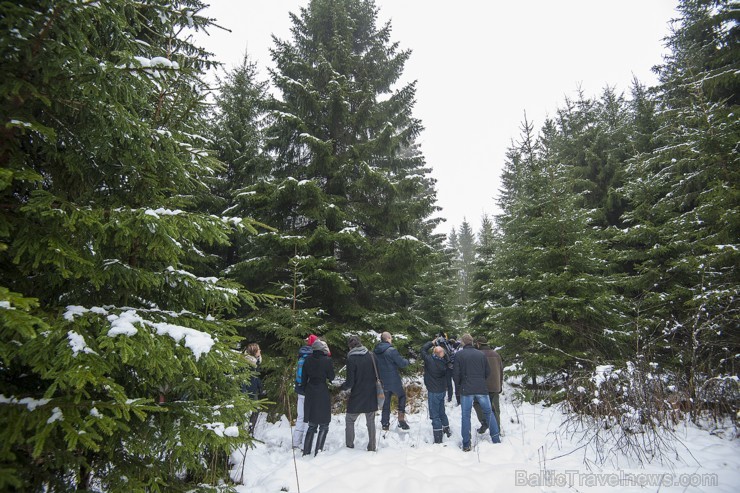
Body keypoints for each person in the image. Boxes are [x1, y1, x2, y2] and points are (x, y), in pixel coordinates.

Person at [453, 333, 500, 451]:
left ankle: (466, 444)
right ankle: (496, 439)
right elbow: (487, 372)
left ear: (463, 343)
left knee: (465, 416)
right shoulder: (480, 354)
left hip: (466, 389)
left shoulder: (459, 355)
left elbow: (456, 374)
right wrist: (480, 380)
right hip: (481, 388)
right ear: (472, 342)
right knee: (489, 412)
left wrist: (458, 389)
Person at [340, 335, 378, 451]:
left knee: (350, 419)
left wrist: (342, 387)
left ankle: (349, 445)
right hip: (371, 392)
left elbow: (350, 382)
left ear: (350, 346)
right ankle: (372, 446)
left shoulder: (351, 359)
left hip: (357, 393)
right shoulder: (371, 355)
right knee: (370, 420)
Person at [301, 338, 335, 456]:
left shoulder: (307, 360)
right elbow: (332, 376)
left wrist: (306, 389)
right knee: (324, 424)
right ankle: (318, 451)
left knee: (312, 424)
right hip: (322, 390)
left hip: (310, 390)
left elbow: (303, 378)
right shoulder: (327, 360)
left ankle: (306, 452)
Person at [373, 331, 410, 431]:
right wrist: (408, 361)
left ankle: (385, 424)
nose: (391, 339)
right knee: (401, 396)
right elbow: (401, 363)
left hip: (382, 381)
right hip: (394, 380)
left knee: (386, 402)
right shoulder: (391, 350)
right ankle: (401, 419)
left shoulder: (375, 351)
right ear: (388, 338)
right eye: (391, 338)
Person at [421, 338, 452, 443]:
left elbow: (423, 350)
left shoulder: (430, 360)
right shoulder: (445, 362)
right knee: (441, 411)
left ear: (435, 352)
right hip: (442, 390)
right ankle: (447, 429)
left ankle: (438, 437)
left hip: (433, 391)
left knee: (435, 414)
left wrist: (432, 342)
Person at [474, 335, 504, 435]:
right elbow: (501, 371)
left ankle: (485, 422)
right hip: (495, 386)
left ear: (478, 344)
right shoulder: (496, 354)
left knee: (477, 403)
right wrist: (500, 385)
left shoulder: (477, 354)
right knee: (495, 409)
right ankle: (497, 430)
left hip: (482, 386)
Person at [291, 334, 317, 449]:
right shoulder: (313, 356)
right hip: (310, 391)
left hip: (300, 389)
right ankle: (306, 444)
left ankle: (296, 442)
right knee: (309, 417)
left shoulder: (301, 354)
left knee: (301, 416)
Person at [241, 342, 264, 434]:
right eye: (258, 350)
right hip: (246, 391)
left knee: (256, 410)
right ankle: (237, 431)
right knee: (242, 412)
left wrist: (260, 387)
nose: (260, 351)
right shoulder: (246, 363)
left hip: (254, 390)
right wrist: (243, 391)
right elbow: (242, 378)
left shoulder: (256, 362)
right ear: (254, 352)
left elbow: (256, 376)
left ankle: (250, 431)